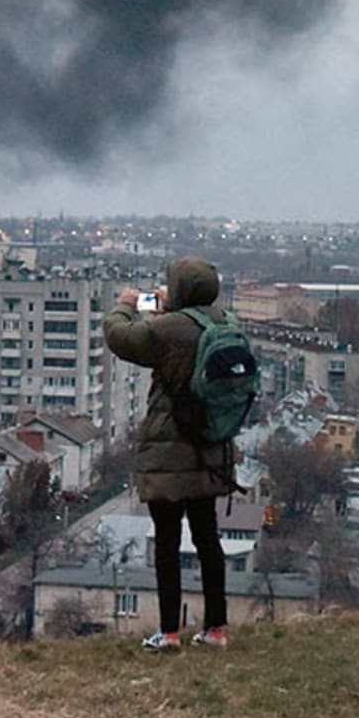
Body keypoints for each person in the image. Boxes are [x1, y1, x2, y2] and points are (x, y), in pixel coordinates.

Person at [104, 256, 236, 652]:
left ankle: (169, 631)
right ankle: (215, 629)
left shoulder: (166, 329)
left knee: (167, 541)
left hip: (170, 448)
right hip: (211, 445)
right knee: (207, 539)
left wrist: (125, 304)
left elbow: (120, 337)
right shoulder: (226, 322)